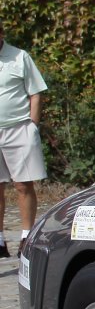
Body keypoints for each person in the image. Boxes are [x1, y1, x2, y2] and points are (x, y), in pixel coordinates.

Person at [0, 23, 48, 257]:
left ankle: (26, 237)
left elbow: (35, 92)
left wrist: (32, 126)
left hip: (19, 128)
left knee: (23, 185)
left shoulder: (20, 57)